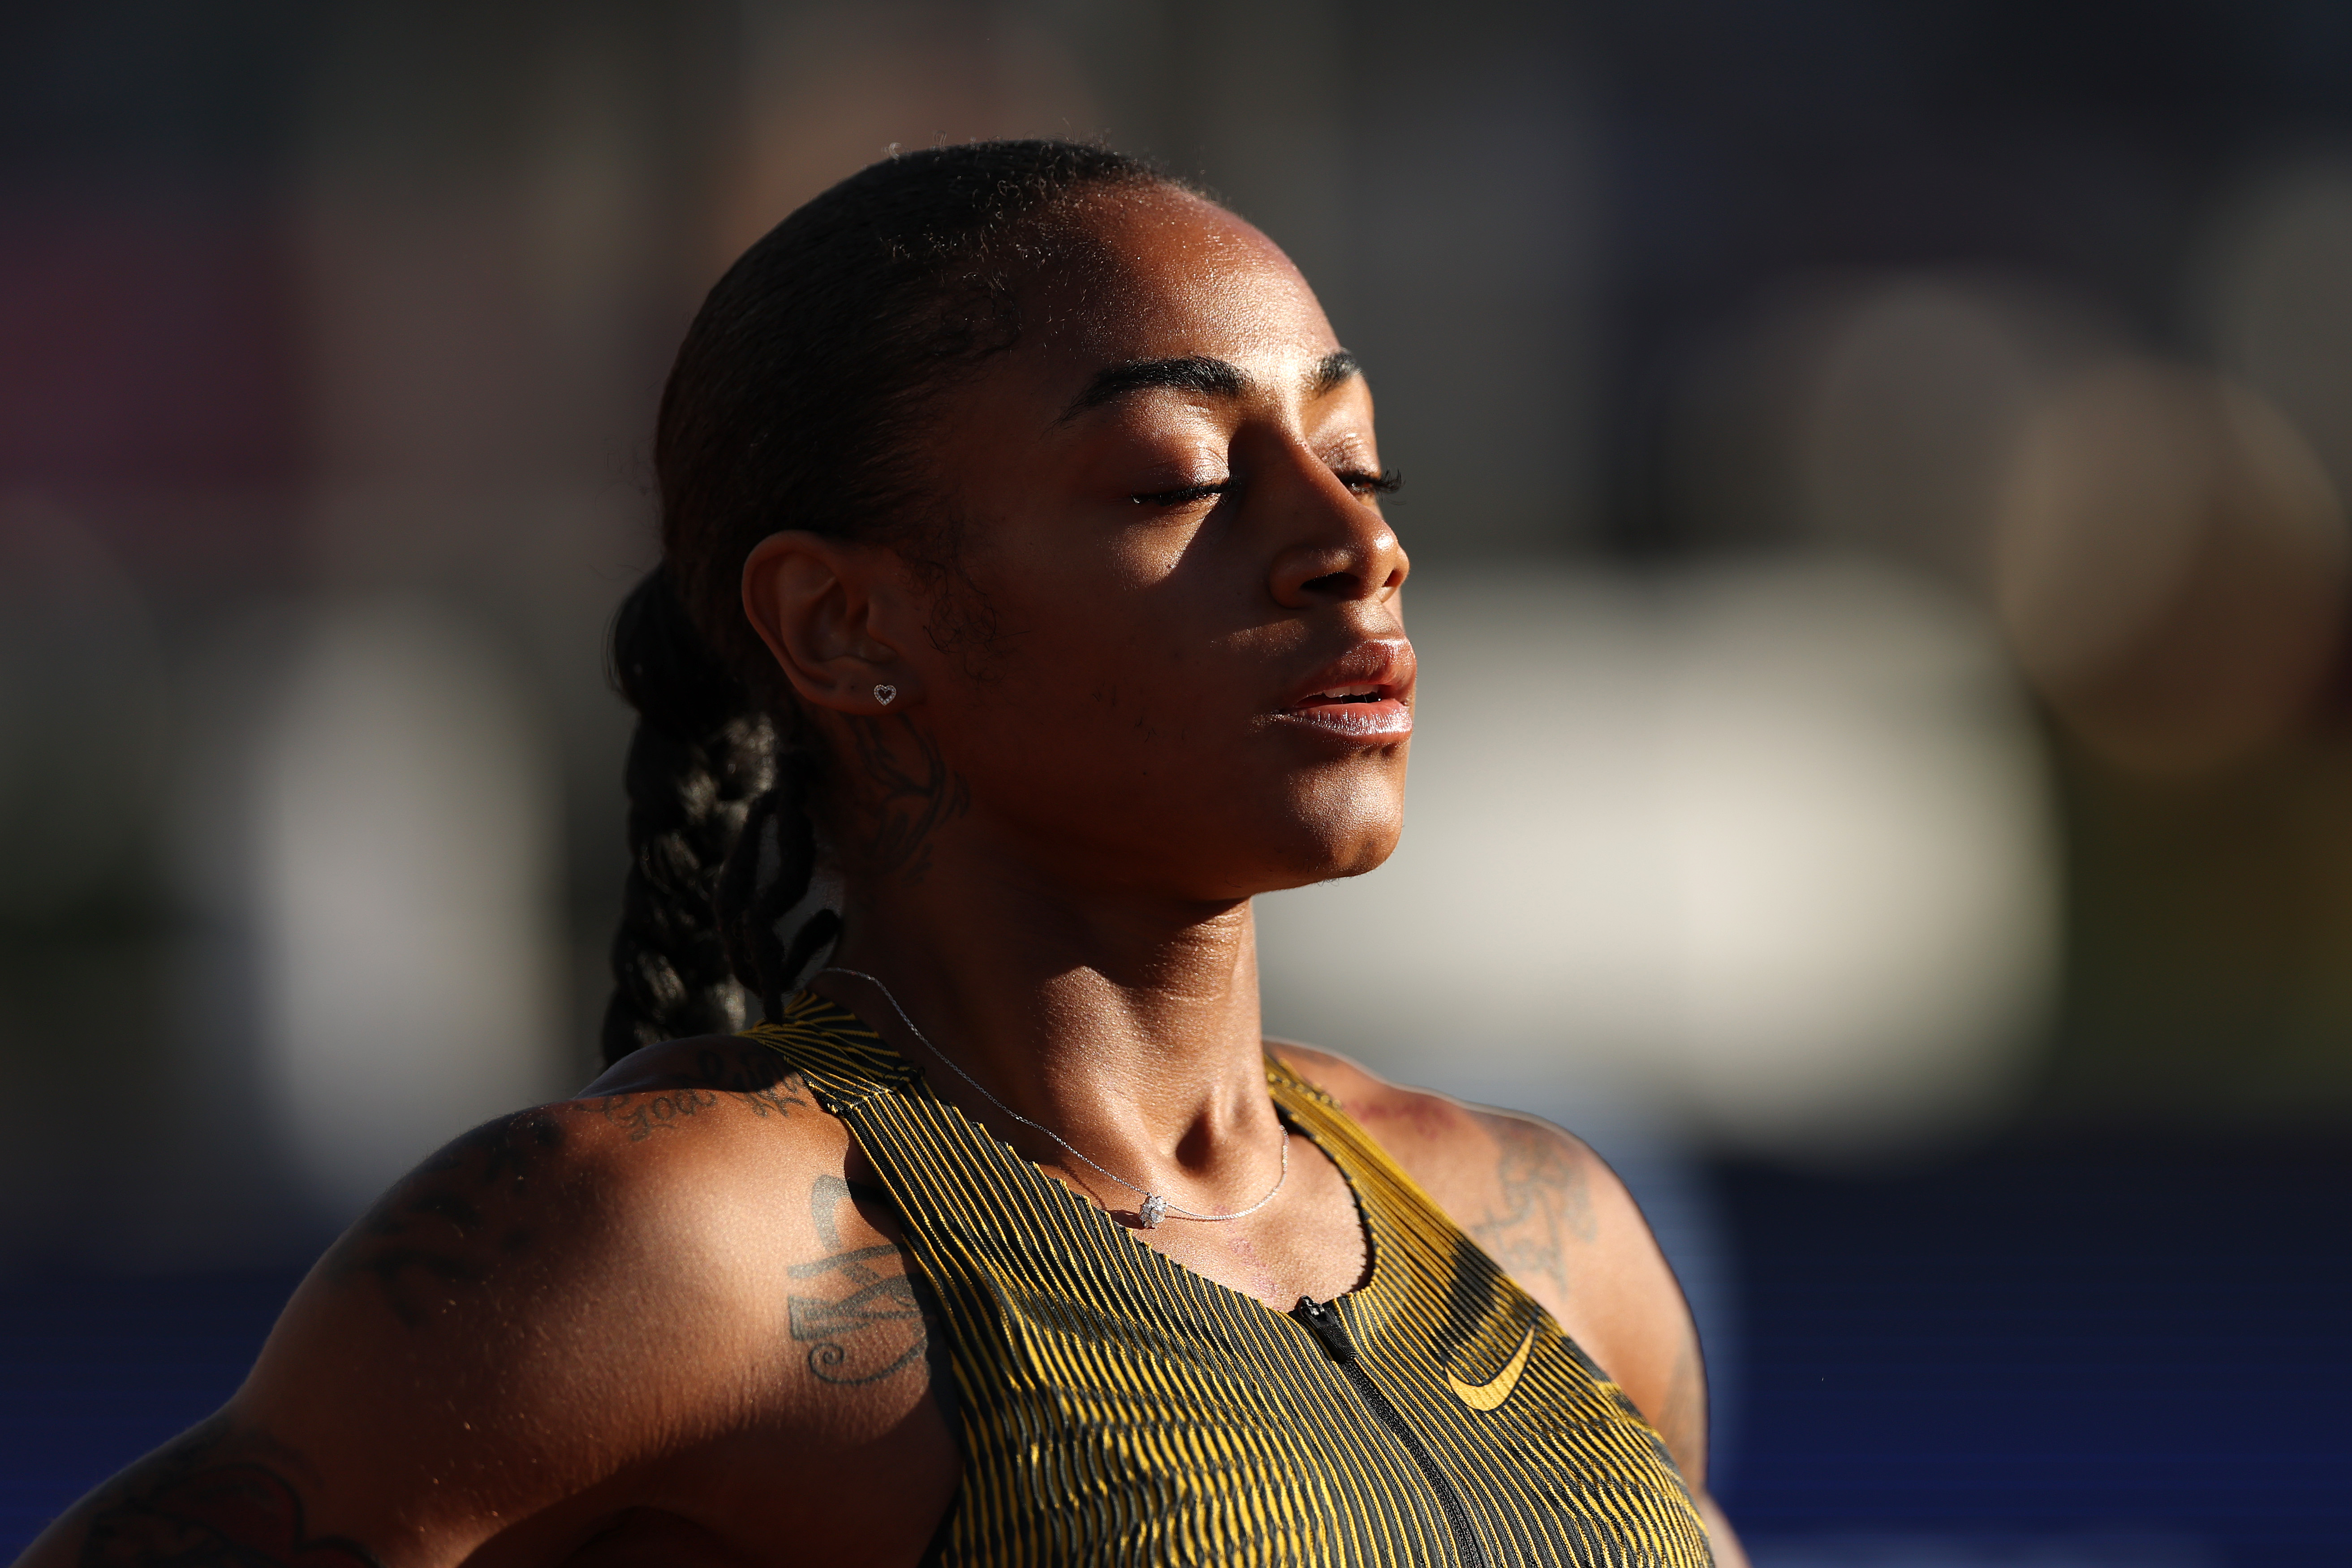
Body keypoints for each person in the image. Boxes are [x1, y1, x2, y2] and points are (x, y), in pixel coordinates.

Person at [23, 140, 1745, 1568]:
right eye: (1179, 479)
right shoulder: (674, 1247)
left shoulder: (1543, 1234)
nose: (1352, 544)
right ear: (846, 621)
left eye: (1355, 454)